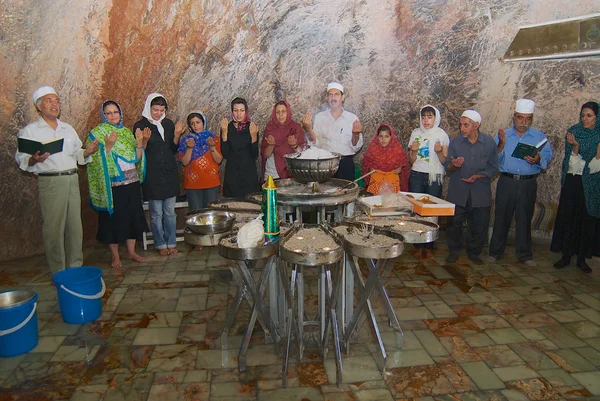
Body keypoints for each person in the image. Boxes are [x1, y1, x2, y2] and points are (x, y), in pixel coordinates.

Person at [15, 86, 99, 273]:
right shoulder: (30, 131)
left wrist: (88, 151)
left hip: (71, 180)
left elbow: (77, 153)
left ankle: (75, 268)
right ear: (39, 106)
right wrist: (33, 158)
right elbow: (21, 159)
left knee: (75, 228)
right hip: (51, 182)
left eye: (57, 101)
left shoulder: (67, 129)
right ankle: (58, 272)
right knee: (54, 229)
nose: (55, 104)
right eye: (49, 100)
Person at [488, 99, 553, 267]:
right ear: (514, 117)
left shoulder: (539, 136)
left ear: (532, 119)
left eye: (528, 119)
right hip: (507, 181)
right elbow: (493, 159)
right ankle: (495, 252)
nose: (523, 122)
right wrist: (501, 145)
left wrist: (538, 159)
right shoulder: (504, 134)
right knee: (502, 217)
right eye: (520, 118)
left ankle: (524, 254)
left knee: (524, 218)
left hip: (527, 183)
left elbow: (547, 156)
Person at [86, 100, 149, 268]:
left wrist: (140, 144)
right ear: (103, 115)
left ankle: (131, 251)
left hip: (132, 182)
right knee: (112, 220)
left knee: (132, 216)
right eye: (109, 112)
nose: (113, 115)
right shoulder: (97, 133)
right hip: (112, 185)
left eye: (116, 112)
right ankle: (115, 256)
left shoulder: (127, 133)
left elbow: (137, 158)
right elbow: (92, 160)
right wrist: (107, 147)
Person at [551, 101, 600, 273]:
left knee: (585, 220)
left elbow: (595, 166)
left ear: (597, 117)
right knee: (569, 217)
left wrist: (584, 152)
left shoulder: (599, 135)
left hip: (591, 184)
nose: (585, 119)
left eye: (589, 115)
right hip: (573, 181)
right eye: (582, 115)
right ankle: (565, 255)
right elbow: (570, 162)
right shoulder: (574, 131)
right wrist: (576, 149)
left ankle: (581, 259)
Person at [133, 93, 185, 256]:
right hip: (152, 174)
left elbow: (173, 149)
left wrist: (177, 135)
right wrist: (145, 140)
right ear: (148, 107)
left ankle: (171, 242)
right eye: (155, 110)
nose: (158, 113)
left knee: (170, 212)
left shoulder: (168, 124)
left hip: (169, 172)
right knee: (156, 213)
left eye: (161, 110)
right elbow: (139, 151)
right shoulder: (139, 125)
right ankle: (160, 243)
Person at [445, 110, 498, 265]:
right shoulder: (455, 142)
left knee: (479, 224)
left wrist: (479, 176)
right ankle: (454, 252)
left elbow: (494, 168)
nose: (462, 128)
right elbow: (447, 167)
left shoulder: (489, 143)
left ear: (476, 125)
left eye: (466, 125)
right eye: (461, 125)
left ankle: (474, 253)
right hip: (458, 190)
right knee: (454, 224)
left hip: (480, 191)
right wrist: (454, 166)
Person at [408, 105, 449, 260]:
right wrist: (413, 151)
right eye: (423, 117)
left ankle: (429, 246)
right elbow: (411, 160)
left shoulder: (441, 134)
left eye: (429, 117)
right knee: (417, 211)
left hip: (434, 176)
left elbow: (445, 160)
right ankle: (418, 246)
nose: (426, 120)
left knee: (431, 212)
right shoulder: (415, 133)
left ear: (435, 118)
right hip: (417, 174)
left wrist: (439, 151)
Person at [302, 82, 364, 181]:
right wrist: (309, 129)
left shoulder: (352, 118)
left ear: (342, 97)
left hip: (345, 165)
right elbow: (316, 145)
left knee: (345, 194)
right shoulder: (319, 117)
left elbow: (356, 147)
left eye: (336, 94)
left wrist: (355, 134)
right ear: (327, 98)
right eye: (330, 95)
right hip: (325, 165)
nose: (333, 98)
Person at [178, 112, 223, 211]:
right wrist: (189, 148)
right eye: (192, 123)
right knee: (196, 214)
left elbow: (219, 160)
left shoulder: (213, 138)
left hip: (211, 182)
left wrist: (212, 147)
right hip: (193, 184)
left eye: (198, 122)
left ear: (204, 123)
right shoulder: (185, 140)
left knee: (211, 213)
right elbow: (184, 162)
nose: (195, 126)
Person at [220, 97, 261, 197]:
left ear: (246, 111)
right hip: (232, 174)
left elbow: (254, 154)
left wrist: (254, 137)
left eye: (241, 110)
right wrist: (224, 134)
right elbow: (225, 154)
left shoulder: (251, 126)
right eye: (235, 110)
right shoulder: (227, 127)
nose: (239, 114)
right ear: (232, 112)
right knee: (233, 208)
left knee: (249, 207)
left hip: (248, 174)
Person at [261, 100, 306, 180]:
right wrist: (271, 146)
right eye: (277, 112)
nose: (280, 115)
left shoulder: (295, 128)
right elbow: (265, 155)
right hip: (272, 174)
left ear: (288, 112)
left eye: (283, 111)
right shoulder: (269, 128)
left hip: (292, 173)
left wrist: (294, 146)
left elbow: (303, 154)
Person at [361, 123, 409, 194]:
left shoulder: (398, 151)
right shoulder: (372, 150)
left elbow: (401, 168)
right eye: (381, 136)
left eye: (386, 136)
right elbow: (367, 166)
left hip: (392, 184)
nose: (383, 139)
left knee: (390, 203)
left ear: (391, 137)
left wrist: (399, 169)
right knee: (375, 203)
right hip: (376, 184)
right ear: (377, 137)